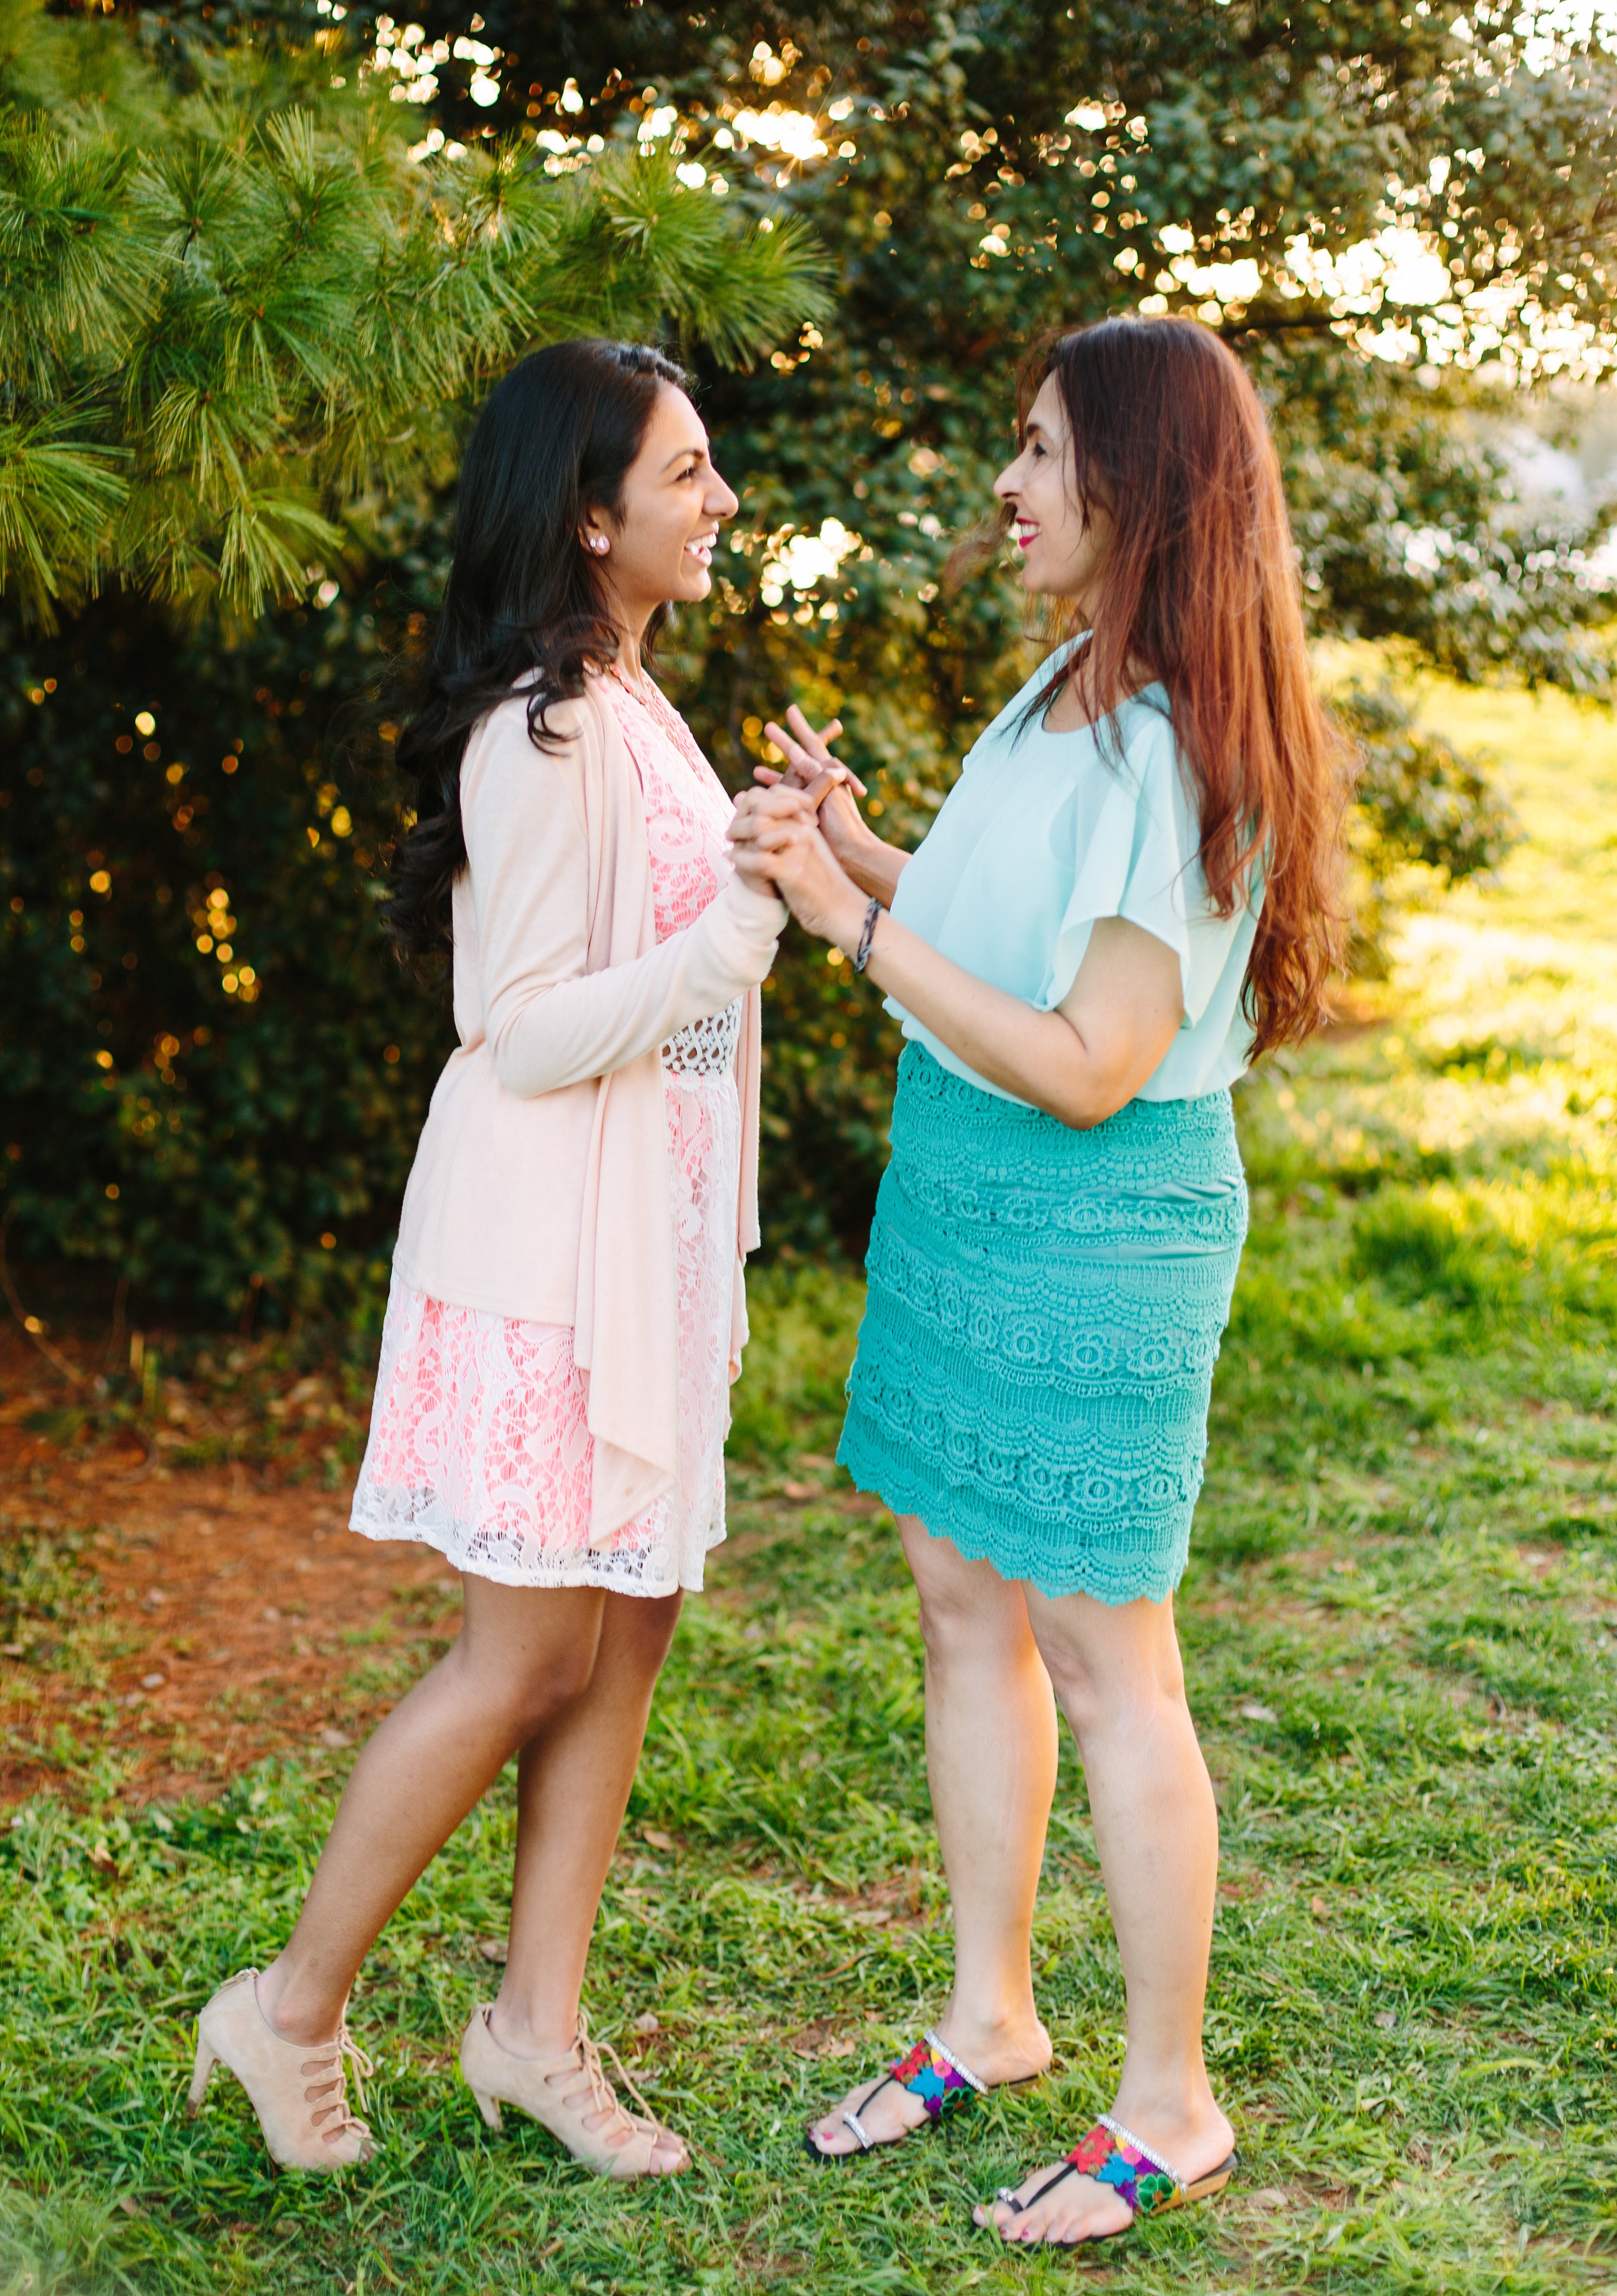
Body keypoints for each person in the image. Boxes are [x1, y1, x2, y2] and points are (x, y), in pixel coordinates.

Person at [728, 315, 1351, 2249]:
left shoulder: (1176, 749)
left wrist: (840, 927)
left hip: (1094, 1219)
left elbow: (1088, 1059)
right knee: (953, 1598)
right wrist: (865, 851)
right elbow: (1003, 934)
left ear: (1136, 487)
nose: (999, 486)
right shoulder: (1061, 687)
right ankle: (986, 2017)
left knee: (1104, 1659)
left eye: (1033, 452)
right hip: (964, 1189)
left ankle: (1167, 2099)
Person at [188, 339, 787, 2181]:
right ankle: (283, 2008)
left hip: (650, 1234)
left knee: (621, 1640)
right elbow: (516, 1023)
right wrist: (736, 934)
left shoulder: (636, 703)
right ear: (588, 511)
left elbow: (675, 1003)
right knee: (522, 1650)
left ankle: (534, 2027)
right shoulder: (537, 726)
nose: (721, 500)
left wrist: (766, 860)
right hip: (546, 1247)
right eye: (687, 472)